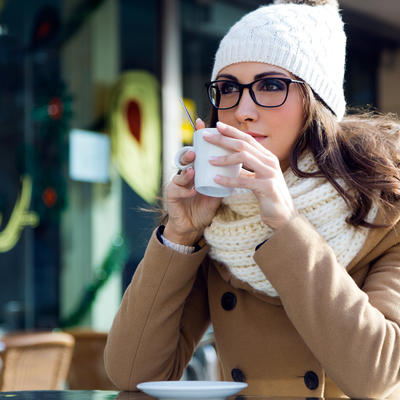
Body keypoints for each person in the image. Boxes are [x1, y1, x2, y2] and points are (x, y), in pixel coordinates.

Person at [104, 0, 400, 398]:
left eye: (271, 85)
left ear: (318, 105)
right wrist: (179, 233)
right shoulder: (217, 218)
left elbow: (375, 375)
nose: (242, 110)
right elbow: (131, 372)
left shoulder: (385, 207)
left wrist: (287, 225)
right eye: (227, 89)